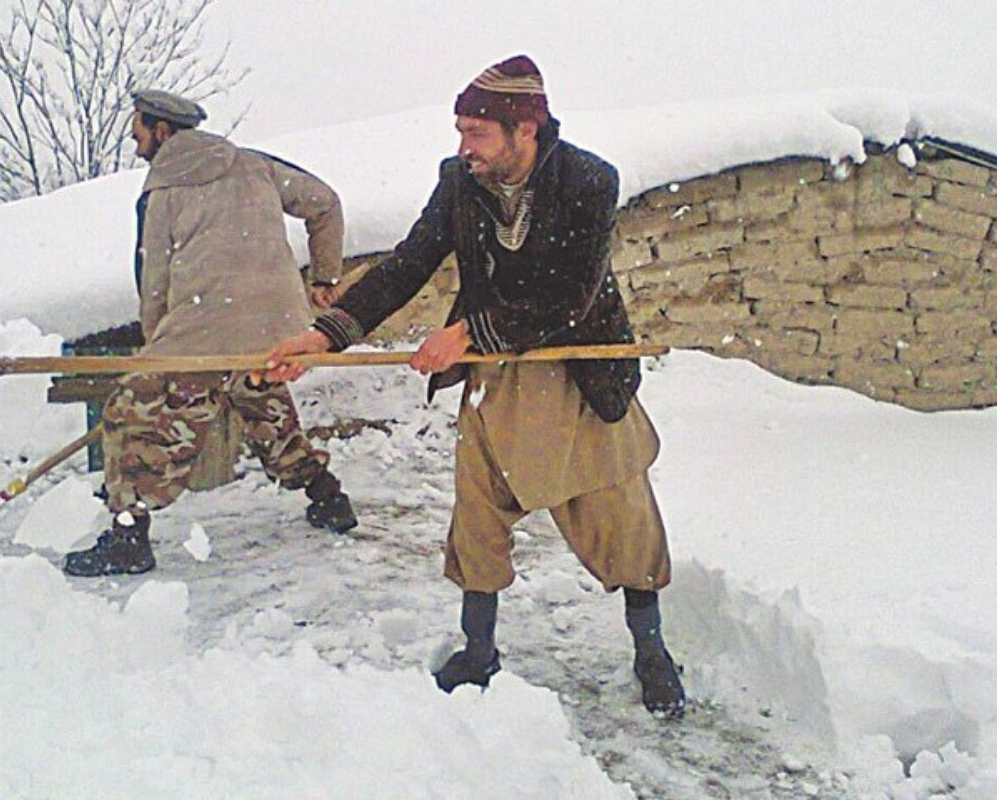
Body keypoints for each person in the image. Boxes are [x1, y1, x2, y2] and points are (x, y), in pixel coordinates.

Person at [263, 56, 685, 716]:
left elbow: (569, 296)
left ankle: (652, 651)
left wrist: (464, 336)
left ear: (526, 129)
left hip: (576, 370)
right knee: (479, 516)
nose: (464, 147)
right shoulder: (459, 182)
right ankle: (479, 648)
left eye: (477, 132)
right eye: (460, 130)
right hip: (495, 379)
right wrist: (326, 335)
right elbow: (407, 265)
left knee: (622, 519)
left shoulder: (588, 180)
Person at [64, 89, 357, 578]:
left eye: (138, 132)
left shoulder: (160, 191)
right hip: (276, 330)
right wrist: (324, 277)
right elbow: (325, 203)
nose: (135, 146)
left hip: (202, 330)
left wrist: (161, 355)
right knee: (261, 399)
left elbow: (153, 277)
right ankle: (328, 498)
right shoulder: (254, 164)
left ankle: (128, 536)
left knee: (127, 416)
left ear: (162, 130)